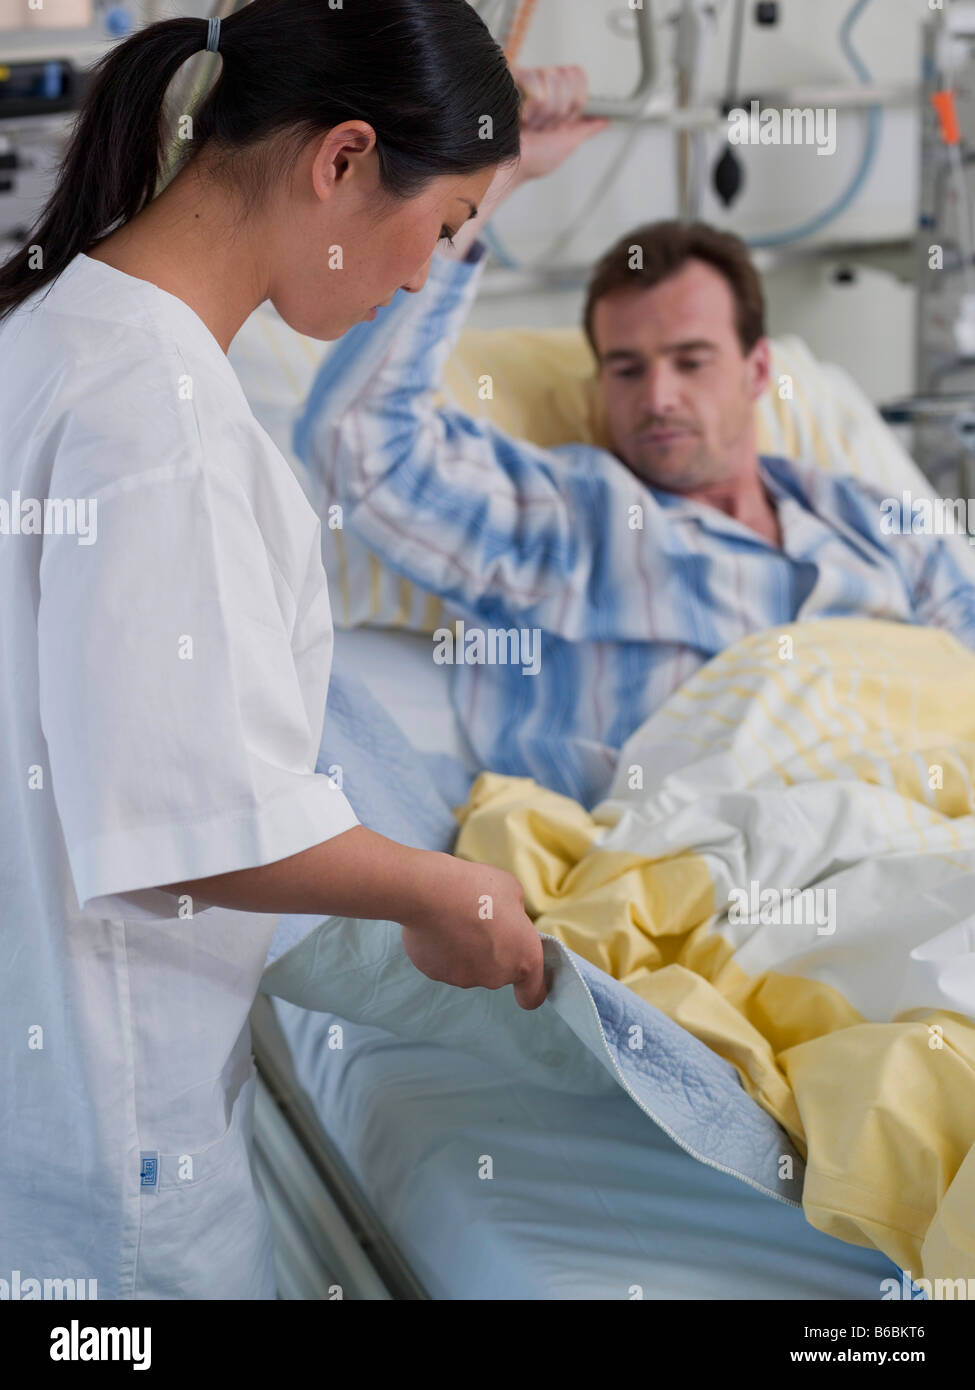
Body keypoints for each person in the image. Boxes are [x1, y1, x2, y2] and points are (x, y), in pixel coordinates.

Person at [0, 0, 585, 1301]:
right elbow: (186, 821)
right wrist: (446, 891)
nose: (426, 272)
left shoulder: (45, 340)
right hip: (117, 1180)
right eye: (439, 227)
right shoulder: (162, 427)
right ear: (340, 160)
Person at [297, 139, 975, 809]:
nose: (657, 398)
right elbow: (357, 439)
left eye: (690, 361)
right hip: (718, 860)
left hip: (925, 824)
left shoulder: (871, 519)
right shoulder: (574, 519)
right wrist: (494, 181)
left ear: (758, 371)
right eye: (626, 369)